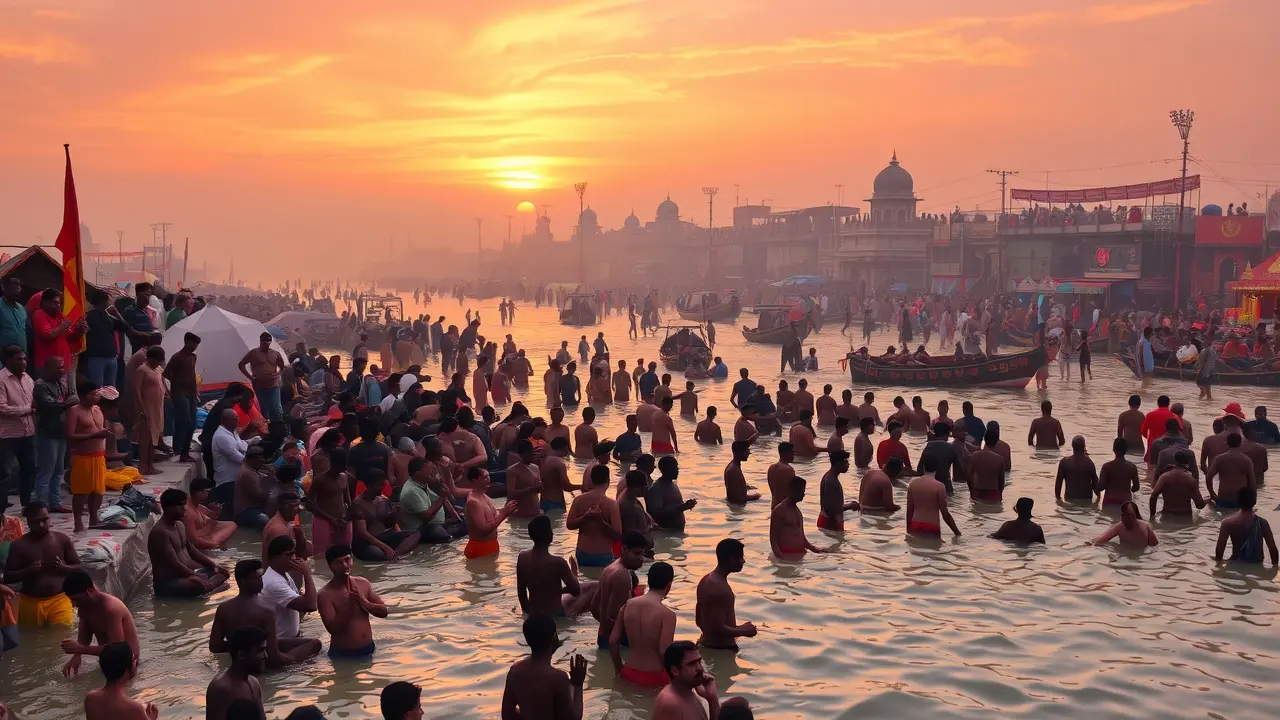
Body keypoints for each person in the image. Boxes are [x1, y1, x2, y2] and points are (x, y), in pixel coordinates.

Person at [211, 557, 321, 668]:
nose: (262, 581)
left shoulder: (223, 608)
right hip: (263, 663)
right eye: (258, 577)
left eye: (262, 576)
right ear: (243, 581)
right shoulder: (265, 611)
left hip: (241, 657)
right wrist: (290, 660)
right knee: (315, 643)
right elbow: (273, 657)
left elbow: (215, 646)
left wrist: (239, 648)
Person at [4, 502, 79, 627]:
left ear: (49, 518)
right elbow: (7, 577)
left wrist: (64, 568)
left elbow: (80, 567)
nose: (41, 525)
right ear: (28, 522)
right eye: (36, 521)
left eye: (44, 520)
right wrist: (27, 571)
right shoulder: (19, 546)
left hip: (59, 600)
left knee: (61, 635)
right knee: (30, 636)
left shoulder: (62, 540)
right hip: (29, 601)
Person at [502, 614, 588, 720]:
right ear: (554, 638)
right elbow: (573, 719)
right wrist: (578, 685)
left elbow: (507, 715)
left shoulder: (515, 671)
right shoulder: (559, 678)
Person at [149, 489, 229, 598]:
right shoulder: (160, 532)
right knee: (197, 586)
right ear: (169, 508)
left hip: (185, 575)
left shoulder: (179, 525)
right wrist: (194, 575)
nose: (185, 509)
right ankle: (206, 587)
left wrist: (213, 565)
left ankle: (207, 586)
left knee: (222, 570)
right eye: (182, 505)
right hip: (167, 583)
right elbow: (173, 564)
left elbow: (192, 551)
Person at [60, 570, 139, 679]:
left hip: (127, 667)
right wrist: (77, 655)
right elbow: (84, 637)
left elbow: (117, 650)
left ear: (90, 591)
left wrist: (80, 649)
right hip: (107, 663)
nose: (73, 605)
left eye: (75, 600)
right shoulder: (84, 605)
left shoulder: (111, 609)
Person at [610, 561, 678, 687]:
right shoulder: (668, 615)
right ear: (669, 585)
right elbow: (664, 652)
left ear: (648, 581)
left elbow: (613, 641)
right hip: (656, 676)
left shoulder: (628, 604)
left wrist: (619, 670)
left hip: (628, 672)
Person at [516, 516, 597, 618]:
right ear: (550, 535)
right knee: (595, 587)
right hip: (555, 614)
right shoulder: (558, 562)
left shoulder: (522, 557)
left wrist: (528, 613)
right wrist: (569, 579)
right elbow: (576, 591)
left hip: (533, 613)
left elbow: (521, 592)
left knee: (588, 588)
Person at [318, 543, 387, 659]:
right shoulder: (325, 595)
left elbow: (384, 612)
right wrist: (350, 606)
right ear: (330, 566)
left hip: (369, 649)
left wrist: (364, 602)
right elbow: (334, 630)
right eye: (339, 562)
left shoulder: (363, 583)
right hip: (343, 655)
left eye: (347, 560)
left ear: (352, 560)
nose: (345, 565)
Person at [32, 356, 75, 517]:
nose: (62, 370)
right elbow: (51, 405)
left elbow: (72, 397)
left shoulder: (60, 383)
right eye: (58, 368)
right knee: (46, 470)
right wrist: (68, 403)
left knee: (58, 470)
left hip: (60, 432)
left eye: (63, 367)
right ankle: (41, 505)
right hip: (47, 432)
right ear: (48, 368)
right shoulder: (40, 385)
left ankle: (55, 502)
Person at [695, 538, 756, 650]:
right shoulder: (722, 590)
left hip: (704, 645)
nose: (743, 561)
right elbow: (716, 628)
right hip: (720, 651)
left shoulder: (705, 580)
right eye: (741, 557)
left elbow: (699, 620)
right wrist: (744, 631)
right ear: (731, 559)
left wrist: (738, 628)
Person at [591, 530, 647, 648]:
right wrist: (629, 638)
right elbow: (613, 615)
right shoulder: (622, 576)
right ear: (624, 549)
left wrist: (605, 629)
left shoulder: (610, 568)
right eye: (637, 554)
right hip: (618, 643)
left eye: (642, 554)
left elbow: (594, 607)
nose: (641, 558)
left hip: (605, 639)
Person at [351, 472, 421, 562]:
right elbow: (362, 533)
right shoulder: (358, 504)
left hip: (383, 536)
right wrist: (385, 547)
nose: (383, 488)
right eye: (380, 485)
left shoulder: (383, 499)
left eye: (383, 485)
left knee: (415, 534)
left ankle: (395, 555)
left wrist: (394, 513)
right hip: (365, 542)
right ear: (370, 486)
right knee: (378, 554)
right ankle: (390, 555)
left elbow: (390, 525)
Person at [0, 346, 37, 510]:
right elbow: (2, 408)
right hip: (7, 434)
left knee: (29, 469)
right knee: (5, 473)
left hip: (28, 432)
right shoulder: (1, 379)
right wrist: (28, 410)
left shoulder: (27, 378)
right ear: (8, 361)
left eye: (24, 359)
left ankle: (26, 505)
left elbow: (35, 399)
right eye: (18, 359)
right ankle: (1, 509)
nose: (23, 362)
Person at [205, 626, 267, 720]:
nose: (266, 656)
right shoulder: (220, 689)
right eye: (260, 651)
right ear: (242, 655)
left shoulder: (254, 683)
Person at [83, 642, 157, 720]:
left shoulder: (90, 698)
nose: (136, 663)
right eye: (133, 660)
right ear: (126, 670)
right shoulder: (134, 709)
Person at [652, 641, 723, 720]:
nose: (700, 668)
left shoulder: (687, 692)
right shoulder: (671, 703)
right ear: (675, 671)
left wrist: (711, 698)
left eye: (699, 661)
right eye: (692, 664)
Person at [770, 476, 832, 558]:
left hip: (800, 555)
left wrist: (814, 549)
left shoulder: (797, 512)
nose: (803, 495)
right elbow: (773, 539)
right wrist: (781, 559)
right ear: (792, 490)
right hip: (787, 556)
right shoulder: (779, 511)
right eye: (801, 491)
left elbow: (802, 538)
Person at [463, 467, 518, 559]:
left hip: (492, 545)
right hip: (479, 547)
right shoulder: (473, 501)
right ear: (475, 480)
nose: (489, 479)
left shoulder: (484, 495)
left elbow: (493, 516)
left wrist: (508, 509)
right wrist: (505, 513)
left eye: (489, 476)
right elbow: (483, 529)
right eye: (485, 477)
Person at [1214, 487, 1278, 564]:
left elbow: (1219, 550)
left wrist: (1218, 566)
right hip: (1257, 565)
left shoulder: (1227, 523)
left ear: (1238, 501)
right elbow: (1272, 549)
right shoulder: (1262, 523)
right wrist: (1275, 567)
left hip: (1236, 564)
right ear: (1254, 501)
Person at [165, 331, 201, 463]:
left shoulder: (193, 357)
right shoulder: (177, 357)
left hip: (191, 393)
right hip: (180, 393)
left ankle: (184, 451)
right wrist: (178, 382)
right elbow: (166, 373)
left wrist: (195, 391)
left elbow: (192, 373)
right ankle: (179, 449)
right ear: (187, 342)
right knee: (185, 421)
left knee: (192, 424)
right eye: (194, 344)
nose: (195, 347)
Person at [131, 345, 166, 475]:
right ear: (150, 358)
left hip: (158, 408)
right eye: (157, 360)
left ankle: (150, 466)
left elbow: (162, 384)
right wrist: (142, 409)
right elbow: (136, 391)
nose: (158, 363)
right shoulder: (142, 370)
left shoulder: (158, 370)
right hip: (146, 408)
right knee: (145, 440)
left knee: (154, 438)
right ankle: (142, 467)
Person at [906, 456, 961, 538]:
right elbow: (945, 514)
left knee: (915, 545)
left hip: (915, 525)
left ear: (924, 467)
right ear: (938, 468)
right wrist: (957, 533)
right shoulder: (939, 487)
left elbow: (909, 510)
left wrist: (908, 530)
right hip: (932, 527)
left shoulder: (913, 484)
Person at [239, 331, 286, 422]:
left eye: (267, 343)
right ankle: (267, 427)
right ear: (260, 341)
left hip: (273, 385)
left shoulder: (275, 353)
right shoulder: (253, 353)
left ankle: (279, 426)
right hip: (259, 386)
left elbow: (282, 367)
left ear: (270, 342)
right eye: (263, 342)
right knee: (264, 410)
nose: (265, 345)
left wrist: (278, 374)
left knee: (276, 409)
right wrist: (251, 377)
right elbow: (241, 365)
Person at [1206, 433, 1257, 510]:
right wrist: (1253, 499)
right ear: (1241, 443)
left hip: (1223, 496)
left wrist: (1212, 493)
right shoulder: (1247, 461)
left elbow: (1209, 477)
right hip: (1240, 498)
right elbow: (1252, 482)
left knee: (1222, 516)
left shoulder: (1219, 459)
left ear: (1227, 443)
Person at [183, 477, 237, 550]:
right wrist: (215, 544)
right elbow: (193, 540)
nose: (208, 495)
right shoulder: (188, 513)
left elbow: (208, 514)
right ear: (200, 492)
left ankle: (212, 540)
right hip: (199, 538)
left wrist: (214, 513)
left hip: (204, 533)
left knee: (232, 524)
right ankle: (213, 541)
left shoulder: (194, 504)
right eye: (207, 492)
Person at [1149, 450, 1205, 517]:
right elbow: (1199, 505)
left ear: (1173, 464)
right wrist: (1206, 501)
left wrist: (1152, 516)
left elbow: (1153, 496)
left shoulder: (1164, 477)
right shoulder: (1191, 480)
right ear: (1187, 465)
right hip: (1185, 517)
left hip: (1167, 516)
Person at [817, 451, 860, 530]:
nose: (848, 464)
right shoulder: (831, 481)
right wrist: (850, 506)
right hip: (830, 524)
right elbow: (830, 509)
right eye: (846, 462)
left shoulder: (830, 477)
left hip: (829, 522)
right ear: (838, 463)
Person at [1092, 500, 1158, 548]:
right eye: (1123, 515)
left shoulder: (1145, 527)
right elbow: (1098, 541)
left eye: (1129, 515)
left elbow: (1155, 546)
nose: (1126, 518)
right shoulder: (1119, 527)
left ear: (1136, 515)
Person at [917, 421, 960, 494]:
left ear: (935, 434)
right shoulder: (951, 448)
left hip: (928, 486)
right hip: (946, 487)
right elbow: (957, 475)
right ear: (947, 434)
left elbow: (919, 470)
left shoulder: (928, 446)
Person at [968, 427, 1008, 502]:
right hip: (993, 494)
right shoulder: (1000, 459)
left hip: (977, 492)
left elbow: (969, 477)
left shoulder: (974, 455)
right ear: (996, 441)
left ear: (985, 439)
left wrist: (971, 493)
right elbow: (1001, 482)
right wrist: (1000, 495)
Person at [1054, 436, 1098, 502]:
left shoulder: (1064, 462)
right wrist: (1099, 497)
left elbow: (1058, 483)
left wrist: (1058, 499)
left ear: (1072, 446)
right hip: (1086, 500)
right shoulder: (1089, 463)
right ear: (1084, 446)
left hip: (1069, 499)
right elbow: (1095, 484)